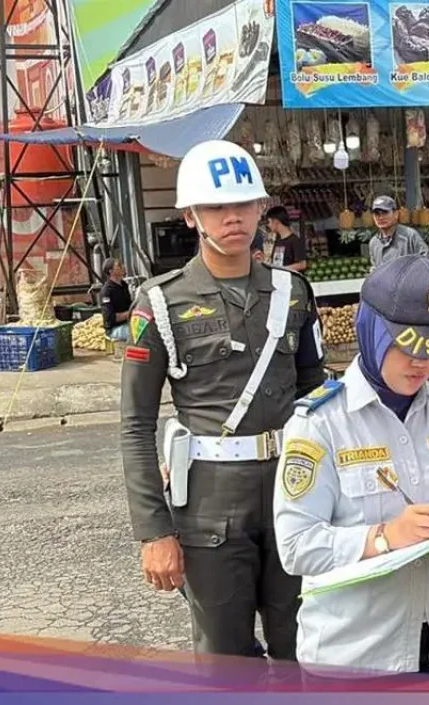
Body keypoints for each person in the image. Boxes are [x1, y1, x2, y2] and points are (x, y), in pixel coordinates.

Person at [119, 139, 327, 662]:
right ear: (190, 216)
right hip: (210, 507)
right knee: (226, 661)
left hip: (295, 492)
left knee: (306, 646)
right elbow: (136, 424)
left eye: (243, 203)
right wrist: (154, 531)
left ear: (261, 207)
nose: (232, 217)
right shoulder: (160, 302)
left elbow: (317, 398)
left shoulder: (293, 292)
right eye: (215, 206)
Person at [273, 255, 429, 677]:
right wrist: (382, 538)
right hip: (355, 655)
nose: (421, 362)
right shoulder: (320, 422)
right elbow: (296, 545)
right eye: (407, 346)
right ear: (372, 329)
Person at [368, 196, 429, 268]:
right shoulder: (374, 243)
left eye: (385, 212)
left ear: (396, 214)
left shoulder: (410, 236)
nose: (381, 217)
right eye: (377, 214)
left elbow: (427, 263)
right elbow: (375, 269)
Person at [262, 205, 309, 273]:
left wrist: (283, 269)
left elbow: (302, 264)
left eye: (269, 222)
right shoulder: (278, 240)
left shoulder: (295, 241)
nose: (268, 225)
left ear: (276, 221)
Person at [99, 258, 132, 343]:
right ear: (111, 271)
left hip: (128, 323)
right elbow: (110, 318)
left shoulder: (124, 285)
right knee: (137, 333)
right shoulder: (106, 291)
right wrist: (131, 312)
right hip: (114, 329)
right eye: (119, 265)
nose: (123, 267)